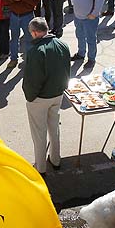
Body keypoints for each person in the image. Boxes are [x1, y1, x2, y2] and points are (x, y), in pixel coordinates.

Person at [23, 17, 71, 174]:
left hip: (40, 98)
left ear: (36, 32)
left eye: (31, 33)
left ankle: (41, 168)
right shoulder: (63, 44)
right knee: (54, 128)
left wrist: (30, 97)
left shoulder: (36, 52)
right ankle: (56, 160)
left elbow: (32, 80)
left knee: (39, 134)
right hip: (57, 94)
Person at [2, 0, 41, 69]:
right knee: (14, 38)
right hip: (14, 15)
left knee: (29, 39)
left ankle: (30, 60)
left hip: (27, 16)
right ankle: (13, 59)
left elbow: (35, 1)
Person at [69, 0, 105, 68]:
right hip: (78, 16)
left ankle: (91, 59)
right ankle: (81, 54)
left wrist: (94, 14)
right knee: (80, 36)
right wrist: (74, 7)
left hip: (90, 18)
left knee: (90, 39)